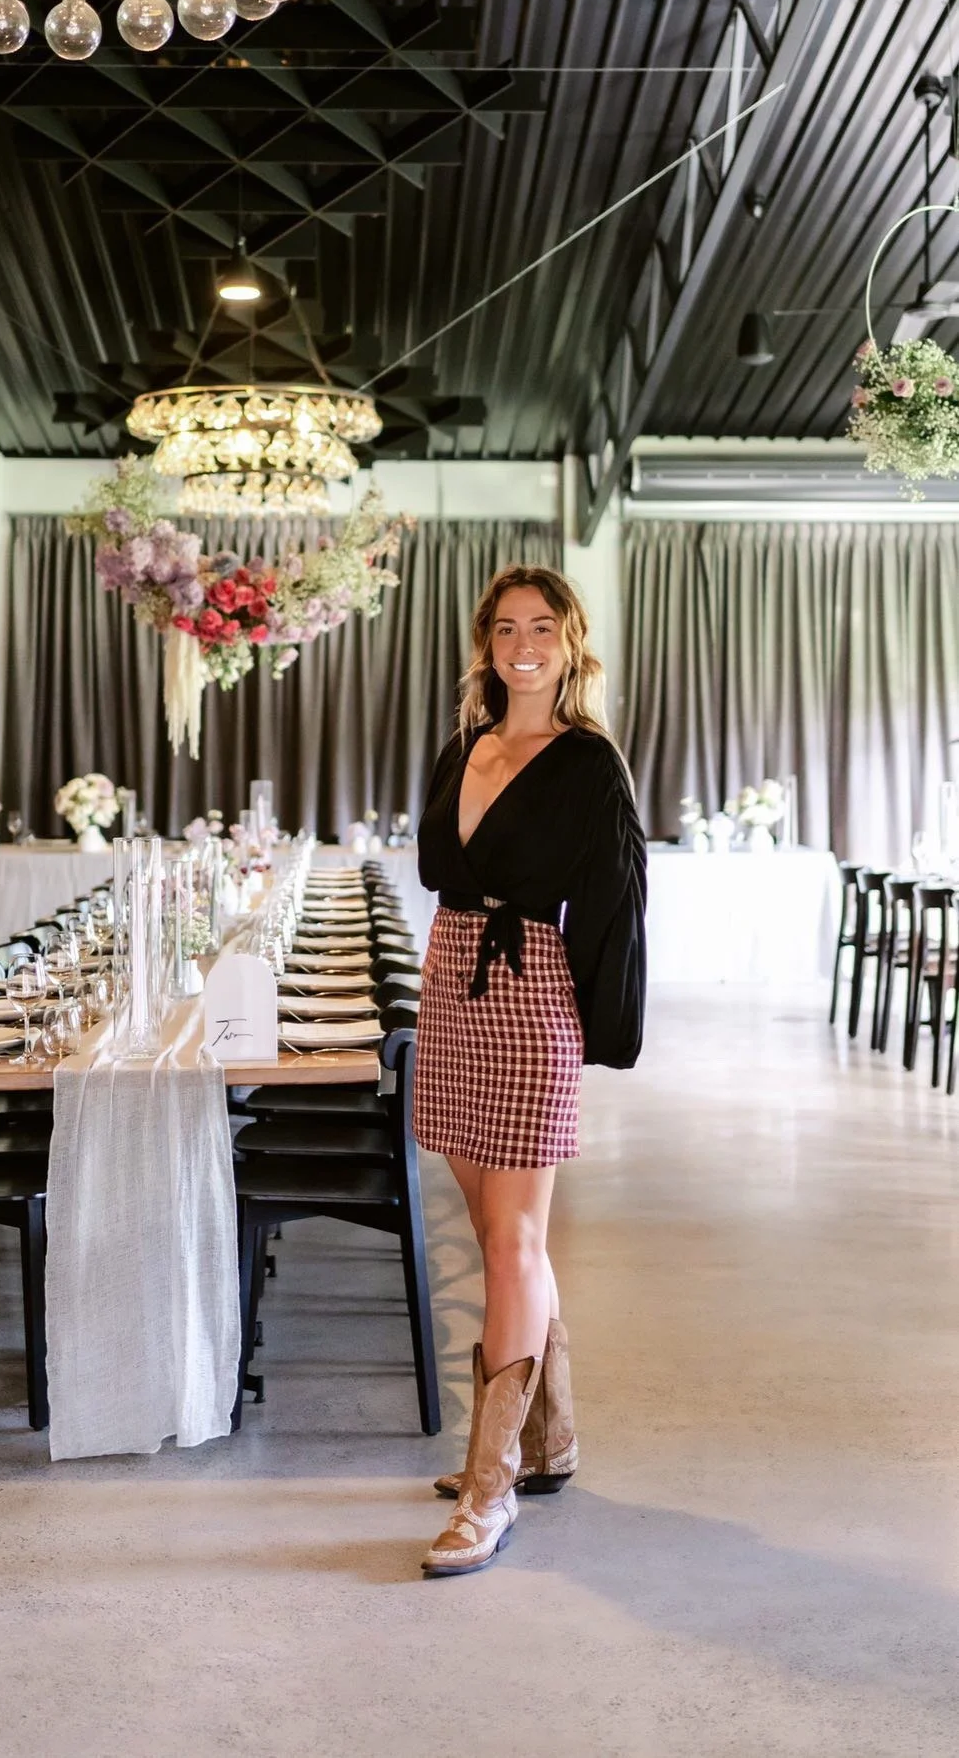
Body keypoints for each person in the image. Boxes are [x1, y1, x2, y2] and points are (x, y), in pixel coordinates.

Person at [413, 564, 646, 1578]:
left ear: (569, 642)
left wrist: (598, 1027)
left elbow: (617, 898)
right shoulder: (462, 746)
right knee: (500, 1235)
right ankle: (548, 1438)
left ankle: (491, 1485)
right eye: (506, 628)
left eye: (541, 627)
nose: (523, 645)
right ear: (486, 642)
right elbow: (439, 870)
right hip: (449, 987)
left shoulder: (588, 762)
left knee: (512, 1241)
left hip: (530, 994)